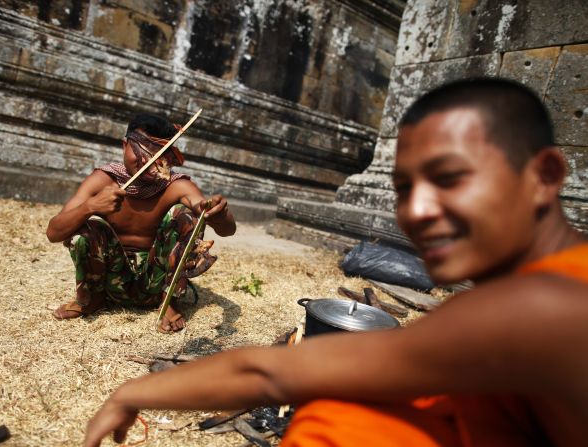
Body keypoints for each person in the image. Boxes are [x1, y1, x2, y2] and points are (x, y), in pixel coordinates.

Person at [83, 78, 588, 446]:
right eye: (405, 188)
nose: (414, 211)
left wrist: (131, 395)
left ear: (543, 175)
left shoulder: (542, 309)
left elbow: (273, 376)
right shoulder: (530, 297)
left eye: (450, 177)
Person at [46, 112, 236, 332]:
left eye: (157, 155)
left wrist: (218, 214)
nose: (146, 161)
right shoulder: (102, 179)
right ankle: (92, 299)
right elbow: (53, 232)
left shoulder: (176, 186)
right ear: (124, 145)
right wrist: (91, 207)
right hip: (110, 285)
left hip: (155, 285)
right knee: (86, 228)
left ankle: (169, 302)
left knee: (185, 215)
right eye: (140, 150)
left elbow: (226, 228)